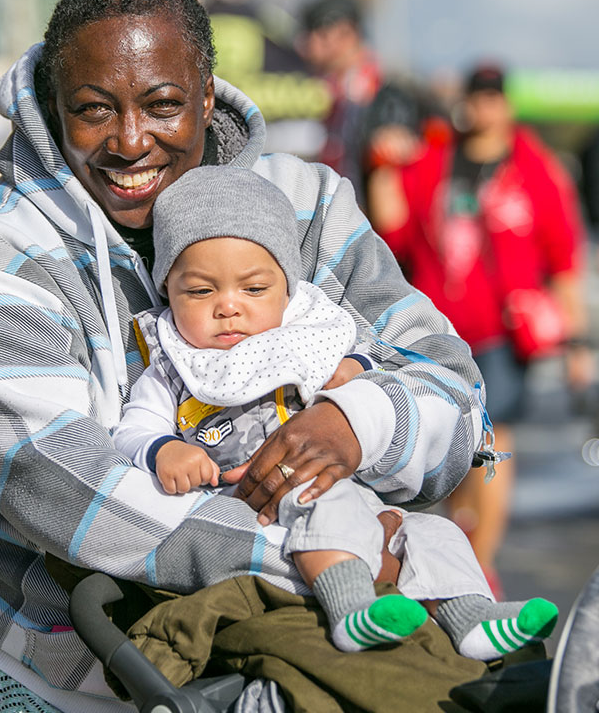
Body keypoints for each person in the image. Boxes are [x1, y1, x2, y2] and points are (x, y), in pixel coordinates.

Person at [0, 0, 491, 713]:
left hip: (238, 699)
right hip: (19, 695)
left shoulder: (304, 210)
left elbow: (451, 390)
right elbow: (66, 488)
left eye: (163, 104)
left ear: (207, 95)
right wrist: (329, 551)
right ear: (50, 106)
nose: (132, 141)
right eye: (93, 109)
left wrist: (359, 418)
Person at [114, 164, 557, 660]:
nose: (228, 307)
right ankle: (350, 610)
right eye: (199, 291)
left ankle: (471, 616)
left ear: (288, 291)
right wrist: (162, 449)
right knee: (325, 501)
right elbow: (134, 428)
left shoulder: (307, 335)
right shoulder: (175, 367)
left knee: (435, 530)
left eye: (254, 289)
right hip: (268, 506)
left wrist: (354, 368)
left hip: (358, 499)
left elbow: (375, 356)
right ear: (167, 290)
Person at [368, 64, 591, 597]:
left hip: (501, 333)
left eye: (494, 97)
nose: (485, 107)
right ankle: (449, 550)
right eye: (478, 96)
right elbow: (393, 228)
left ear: (506, 105)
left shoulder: (533, 168)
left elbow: (563, 256)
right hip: (437, 329)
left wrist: (578, 341)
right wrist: (381, 165)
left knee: (492, 441)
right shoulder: (436, 160)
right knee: (443, 440)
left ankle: (481, 559)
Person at [296, 0, 382, 204]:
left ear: (343, 33)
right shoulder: (335, 87)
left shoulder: (368, 90)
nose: (304, 46)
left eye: (314, 34)